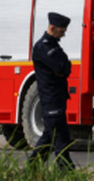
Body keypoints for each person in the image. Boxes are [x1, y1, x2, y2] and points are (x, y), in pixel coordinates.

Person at [28, 12, 76, 170]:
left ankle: (32, 168)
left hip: (57, 97)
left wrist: (63, 68)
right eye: (61, 31)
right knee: (60, 137)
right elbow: (61, 67)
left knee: (51, 135)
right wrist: (62, 68)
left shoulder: (54, 45)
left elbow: (67, 67)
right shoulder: (43, 47)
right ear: (52, 28)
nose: (63, 35)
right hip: (51, 97)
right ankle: (66, 170)